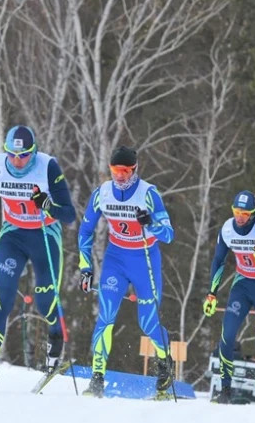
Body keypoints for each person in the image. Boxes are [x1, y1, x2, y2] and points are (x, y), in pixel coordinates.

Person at [0, 125, 76, 391]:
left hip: (45, 236)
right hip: (13, 236)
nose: (18, 161)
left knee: (44, 301)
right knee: (2, 299)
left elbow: (69, 215)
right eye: (12, 155)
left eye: (24, 155)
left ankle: (55, 337)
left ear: (34, 152)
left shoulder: (48, 167)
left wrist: (48, 205)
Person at [77, 146, 175, 397]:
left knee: (147, 322)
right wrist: (85, 267)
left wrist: (150, 223)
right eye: (114, 170)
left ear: (134, 170)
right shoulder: (103, 193)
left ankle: (165, 362)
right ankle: (97, 378)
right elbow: (85, 231)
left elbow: (169, 234)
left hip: (144, 258)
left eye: (124, 171)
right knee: (106, 316)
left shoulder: (149, 194)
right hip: (116, 259)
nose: (119, 176)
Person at [202, 190, 255, 404]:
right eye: (236, 212)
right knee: (227, 335)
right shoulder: (227, 229)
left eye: (245, 213)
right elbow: (219, 261)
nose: (239, 217)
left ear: (252, 214)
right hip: (242, 285)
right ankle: (225, 390)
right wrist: (212, 293)